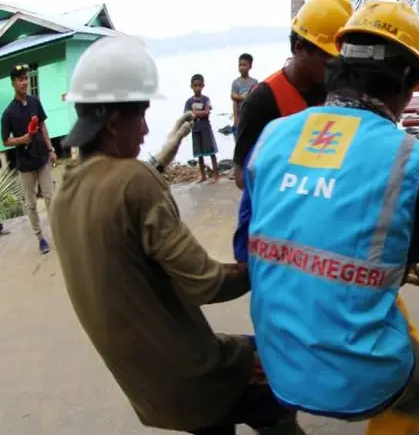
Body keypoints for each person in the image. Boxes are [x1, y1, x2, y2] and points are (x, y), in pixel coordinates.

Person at [50, 37, 299, 435]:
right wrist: (274, 263)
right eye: (142, 116)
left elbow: (118, 199)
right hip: (194, 377)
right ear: (114, 122)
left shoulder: (64, 190)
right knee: (274, 363)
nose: (147, 129)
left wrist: (166, 151)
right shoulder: (135, 182)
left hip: (146, 387)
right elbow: (207, 284)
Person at [239, 1, 419, 435]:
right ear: (404, 84)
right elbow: (412, 255)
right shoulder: (413, 156)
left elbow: (248, 238)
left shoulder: (273, 135)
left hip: (274, 359)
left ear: (338, 66)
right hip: (363, 383)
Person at [232, 0, 353, 189]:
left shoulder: (337, 90)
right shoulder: (262, 101)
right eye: (329, 58)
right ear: (299, 48)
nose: (335, 66)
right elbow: (241, 177)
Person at [0, 64, 57, 254]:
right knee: (31, 203)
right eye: (20, 79)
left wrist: (51, 149)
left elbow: (42, 126)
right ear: (13, 83)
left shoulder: (35, 101)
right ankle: (40, 237)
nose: (24, 82)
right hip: (24, 163)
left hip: (42, 157)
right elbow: (6, 140)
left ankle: (58, 232)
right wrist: (22, 139)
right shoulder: (8, 113)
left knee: (50, 196)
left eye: (26, 78)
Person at [185, 74, 220, 183]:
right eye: (195, 86)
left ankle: (216, 175)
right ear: (191, 86)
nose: (197, 88)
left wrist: (195, 113)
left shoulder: (206, 99)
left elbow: (207, 112)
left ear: (203, 86)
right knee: (199, 154)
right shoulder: (189, 102)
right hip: (195, 129)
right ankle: (203, 176)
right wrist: (199, 113)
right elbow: (188, 114)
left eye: (200, 85)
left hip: (205, 128)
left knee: (211, 152)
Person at [231, 53, 258, 140]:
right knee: (239, 139)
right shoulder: (236, 83)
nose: (242, 67)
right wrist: (236, 119)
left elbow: (257, 98)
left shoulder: (254, 82)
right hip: (240, 115)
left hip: (251, 115)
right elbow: (234, 99)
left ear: (250, 66)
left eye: (244, 65)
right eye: (240, 65)